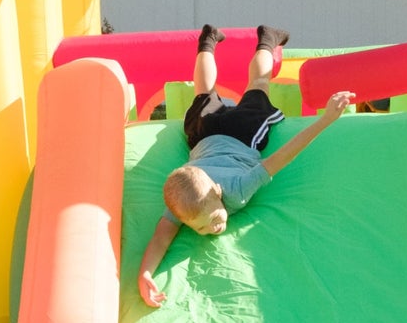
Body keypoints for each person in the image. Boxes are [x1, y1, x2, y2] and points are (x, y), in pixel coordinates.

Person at [137, 24, 356, 308]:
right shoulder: (186, 201)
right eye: (202, 229)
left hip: (243, 133)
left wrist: (324, 120)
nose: (213, 229)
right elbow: (161, 235)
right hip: (205, 132)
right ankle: (209, 40)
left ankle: (267, 41)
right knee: (204, 91)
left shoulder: (237, 191)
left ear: (218, 191)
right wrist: (145, 273)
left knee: (258, 87)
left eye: (214, 219)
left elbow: (282, 156)